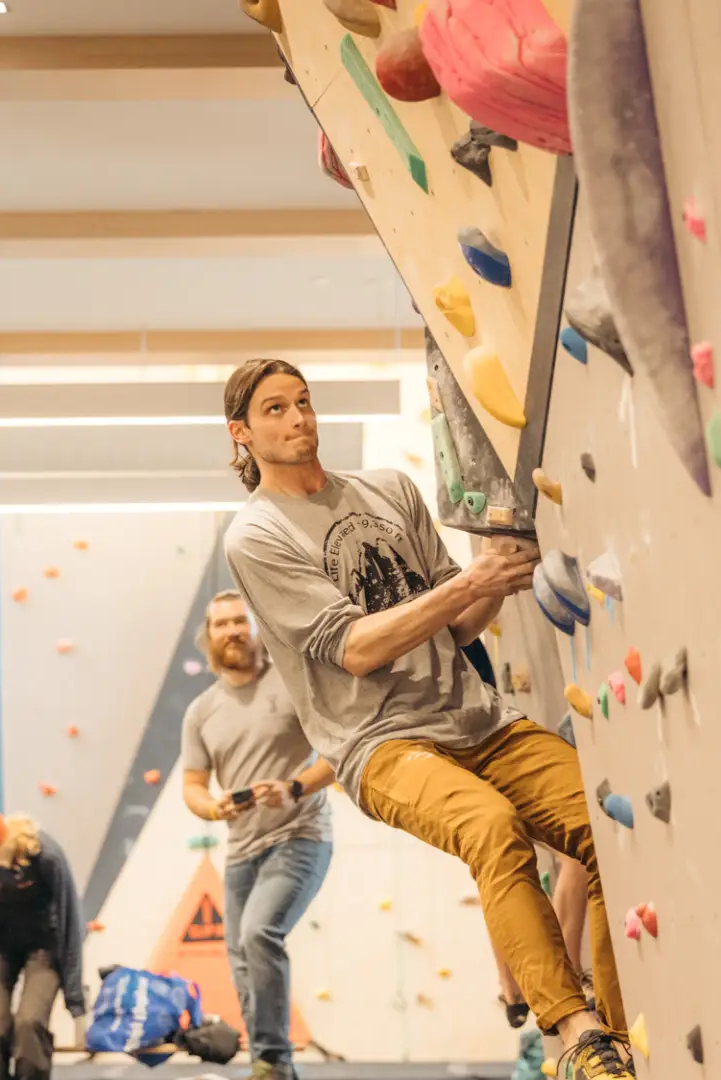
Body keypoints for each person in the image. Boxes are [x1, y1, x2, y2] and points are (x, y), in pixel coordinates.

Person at [218, 359, 632, 1080]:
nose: (298, 420)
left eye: (304, 402)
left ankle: (623, 1040)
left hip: (478, 721)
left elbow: (460, 622)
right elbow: (355, 647)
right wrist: (468, 584)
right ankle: (577, 1034)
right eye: (276, 410)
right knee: (490, 828)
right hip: (380, 747)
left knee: (608, 822)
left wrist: (497, 572)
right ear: (242, 434)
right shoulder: (256, 535)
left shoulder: (389, 488)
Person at [180, 590, 333, 1080]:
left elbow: (338, 753)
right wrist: (212, 806)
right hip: (241, 850)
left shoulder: (292, 683)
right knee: (241, 957)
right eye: (221, 624)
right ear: (209, 636)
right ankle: (269, 1064)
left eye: (239, 621)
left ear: (255, 626)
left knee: (258, 933)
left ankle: (271, 1059)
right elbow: (193, 785)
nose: (231, 631)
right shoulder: (201, 711)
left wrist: (292, 788)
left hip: (300, 835)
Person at [0, 805, 85, 1080]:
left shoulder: (46, 856)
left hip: (45, 943)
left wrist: (77, 1005)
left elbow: (72, 926)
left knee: (29, 1023)